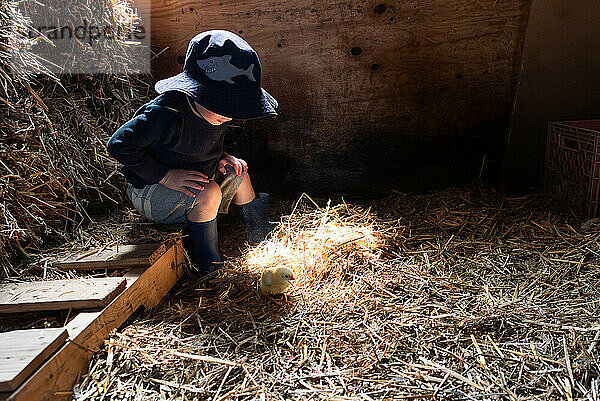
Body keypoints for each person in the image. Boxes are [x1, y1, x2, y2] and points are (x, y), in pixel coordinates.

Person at [106, 30, 278, 274]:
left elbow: (197, 144)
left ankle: (260, 234)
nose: (229, 115)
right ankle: (209, 264)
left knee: (239, 171)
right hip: (151, 190)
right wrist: (165, 176)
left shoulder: (214, 114)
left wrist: (222, 157)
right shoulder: (164, 114)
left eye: (234, 106)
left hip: (193, 181)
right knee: (209, 192)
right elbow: (118, 144)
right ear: (196, 91)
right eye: (223, 104)